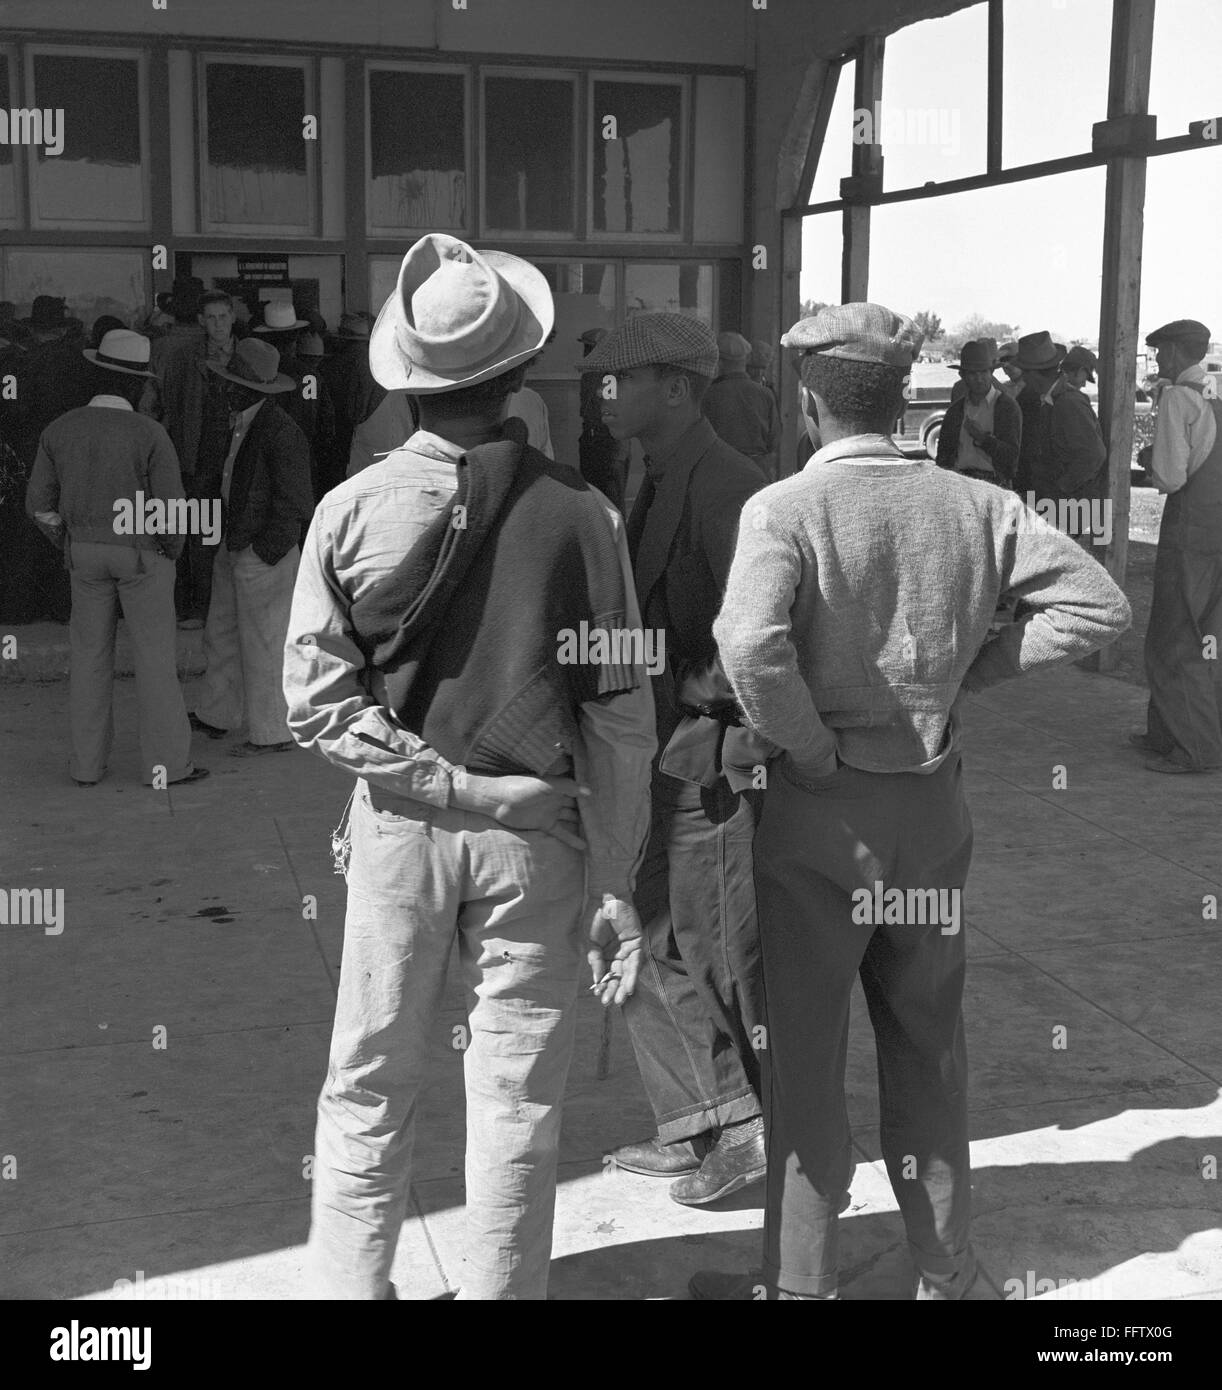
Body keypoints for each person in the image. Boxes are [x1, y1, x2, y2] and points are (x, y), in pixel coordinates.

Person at [691, 302, 1131, 1301]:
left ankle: (801, 1281)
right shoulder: (974, 505)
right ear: (907, 402)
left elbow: (750, 646)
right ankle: (943, 1270)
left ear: (808, 404)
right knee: (928, 1048)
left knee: (802, 1059)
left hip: (818, 817)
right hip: (929, 812)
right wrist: (969, 672)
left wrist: (803, 746)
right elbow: (1099, 605)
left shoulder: (784, 509)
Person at [283, 231, 656, 1300]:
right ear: (515, 375)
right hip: (538, 834)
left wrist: (433, 783)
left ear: (401, 381)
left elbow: (314, 704)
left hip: (399, 830)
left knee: (366, 1085)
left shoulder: (349, 510)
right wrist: (619, 880)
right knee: (515, 1097)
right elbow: (621, 717)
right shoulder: (589, 516)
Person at [579, 313, 772, 1206]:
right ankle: (699, 1119)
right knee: (648, 931)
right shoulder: (648, 472)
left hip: (712, 760)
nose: (605, 396)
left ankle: (762, 1131)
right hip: (656, 748)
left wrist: (695, 702)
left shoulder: (733, 488)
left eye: (624, 381)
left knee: (723, 950)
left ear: (680, 389)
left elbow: (761, 643)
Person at [24, 329, 208, 788]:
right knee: (154, 660)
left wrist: (67, 540)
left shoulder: (60, 428)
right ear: (139, 384)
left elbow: (39, 505)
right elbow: (171, 510)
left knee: (88, 658)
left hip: (82, 554)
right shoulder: (150, 432)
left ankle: (86, 767)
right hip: (141, 553)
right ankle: (166, 766)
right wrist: (169, 551)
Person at [189, 338, 314, 756]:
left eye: (230, 382)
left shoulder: (280, 431)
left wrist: (264, 550)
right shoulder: (243, 422)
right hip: (239, 542)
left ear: (250, 390)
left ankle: (272, 730)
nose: (224, 388)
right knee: (221, 634)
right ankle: (218, 715)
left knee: (265, 644)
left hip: (261, 551)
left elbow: (296, 503)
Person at [1130, 318, 1222, 774]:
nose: (1158, 360)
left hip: (1188, 534)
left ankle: (1193, 748)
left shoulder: (1176, 398)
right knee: (1208, 638)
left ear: (1174, 353)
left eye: (1160, 351)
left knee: (1173, 638)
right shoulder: (1215, 396)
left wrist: (1150, 460)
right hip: (1217, 532)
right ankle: (1166, 733)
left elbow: (1170, 477)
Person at [158, 288, 239, 628]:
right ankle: (198, 608)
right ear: (202, 321)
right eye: (211, 318)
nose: (218, 324)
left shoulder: (247, 356)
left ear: (232, 318)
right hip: (198, 459)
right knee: (200, 537)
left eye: (223, 316)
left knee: (234, 535)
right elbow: (172, 408)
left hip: (236, 457)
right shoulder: (184, 358)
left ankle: (228, 608)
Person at [254, 300, 336, 498]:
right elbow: (325, 426)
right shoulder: (309, 377)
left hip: (261, 462)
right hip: (303, 461)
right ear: (296, 337)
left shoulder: (255, 374)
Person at [935, 338, 1021, 485]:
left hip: (995, 485)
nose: (979, 379)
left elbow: (1012, 457)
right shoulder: (955, 411)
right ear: (963, 376)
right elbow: (943, 455)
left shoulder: (1007, 407)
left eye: (983, 372)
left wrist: (983, 438)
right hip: (960, 484)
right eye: (973, 374)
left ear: (991, 372)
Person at [702, 330, 781, 482]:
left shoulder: (708, 395)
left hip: (719, 472)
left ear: (719, 362)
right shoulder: (765, 394)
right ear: (746, 360)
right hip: (757, 471)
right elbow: (774, 440)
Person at [1047, 345, 1107, 544]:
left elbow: (1094, 455)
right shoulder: (1070, 401)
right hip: (1073, 494)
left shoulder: (1068, 401)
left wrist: (1065, 485)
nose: (1083, 384)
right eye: (1085, 377)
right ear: (1080, 371)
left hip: (1070, 494)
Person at [577, 327, 630, 511]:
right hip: (602, 440)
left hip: (605, 442)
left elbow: (610, 407)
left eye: (589, 348)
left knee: (609, 501)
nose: (585, 352)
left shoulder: (608, 375)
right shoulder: (598, 372)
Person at [1011, 331, 1065, 498]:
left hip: (1051, 495)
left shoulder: (1066, 401)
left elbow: (1093, 455)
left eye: (1026, 373)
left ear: (1034, 373)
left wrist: (1062, 487)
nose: (1024, 379)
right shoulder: (1048, 397)